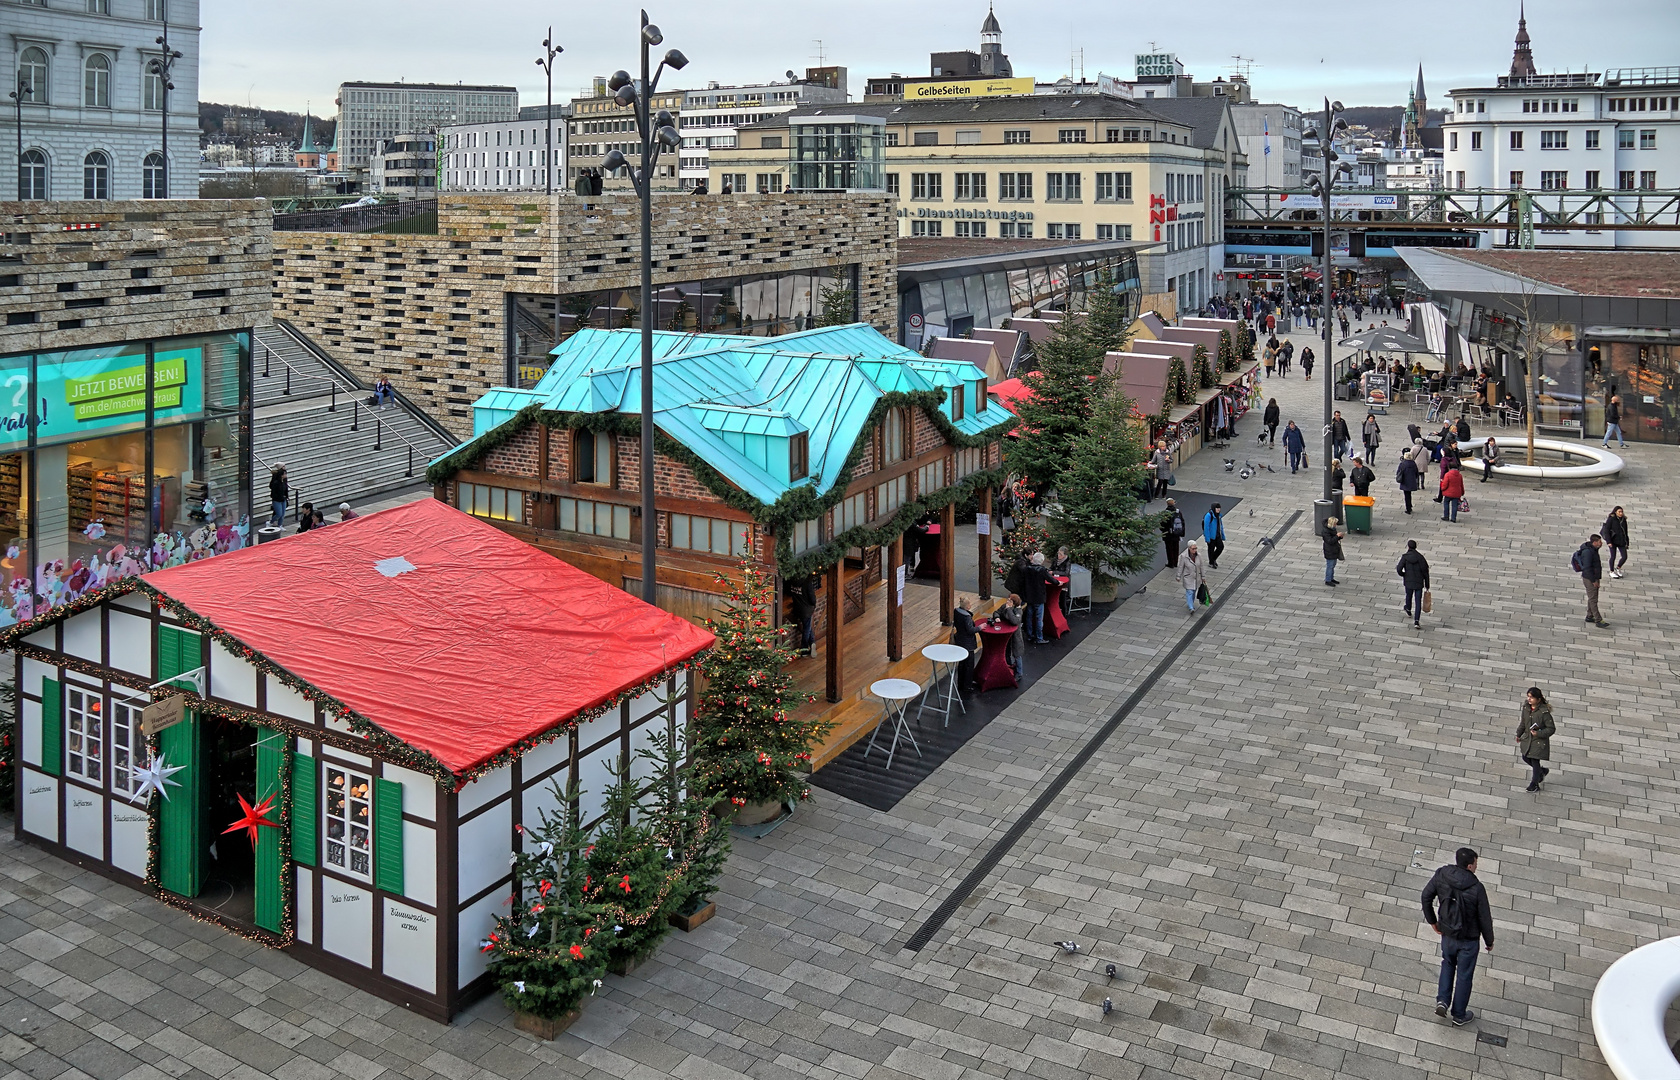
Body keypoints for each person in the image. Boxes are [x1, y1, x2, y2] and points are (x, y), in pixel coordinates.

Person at [1422, 847, 1496, 1027]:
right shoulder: (1477, 888)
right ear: (1470, 866)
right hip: (1468, 940)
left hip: (1448, 934)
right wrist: (1489, 940)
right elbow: (1484, 917)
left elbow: (1426, 896)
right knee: (1464, 976)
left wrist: (1433, 921)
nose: (1477, 867)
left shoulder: (1442, 875)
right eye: (1476, 864)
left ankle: (1442, 1001)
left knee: (1447, 963)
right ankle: (1459, 1014)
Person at [1516, 686, 1555, 792]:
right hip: (1528, 739)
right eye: (1528, 696)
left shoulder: (1544, 713)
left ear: (1538, 700)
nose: (1529, 699)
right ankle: (1541, 771)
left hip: (1538, 741)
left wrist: (1539, 733)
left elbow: (1551, 729)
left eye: (1532, 697)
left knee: (1534, 760)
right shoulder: (1526, 708)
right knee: (1525, 757)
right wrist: (1518, 734)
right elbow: (1523, 723)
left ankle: (1534, 784)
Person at [1396, 539, 1430, 628]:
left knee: (1408, 595)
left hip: (1409, 581)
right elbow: (1426, 572)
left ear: (1408, 546)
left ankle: (1408, 608)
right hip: (1419, 582)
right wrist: (1427, 585)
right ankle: (1416, 621)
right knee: (1418, 601)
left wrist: (1404, 575)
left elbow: (1399, 568)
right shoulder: (1421, 558)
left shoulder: (1405, 557)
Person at [1575, 533, 1607, 627]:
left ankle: (1589, 615)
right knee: (1593, 599)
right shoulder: (1588, 552)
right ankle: (1598, 620)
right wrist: (1594, 581)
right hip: (1590, 579)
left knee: (1592, 597)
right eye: (1600, 542)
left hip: (1593, 577)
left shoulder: (1593, 550)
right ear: (1594, 542)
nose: (1601, 543)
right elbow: (1587, 568)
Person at [1022, 552, 1051, 643]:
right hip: (1039, 597)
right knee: (1039, 618)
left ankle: (1029, 635)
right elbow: (1050, 579)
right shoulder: (1042, 570)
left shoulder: (1027, 569)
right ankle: (1039, 637)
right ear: (1041, 561)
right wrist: (1058, 582)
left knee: (1029, 617)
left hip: (1030, 597)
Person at [952, 596, 979, 694]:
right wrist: (980, 628)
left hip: (959, 640)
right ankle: (967, 685)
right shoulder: (967, 617)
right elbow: (970, 630)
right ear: (967, 607)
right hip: (968, 643)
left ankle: (960, 683)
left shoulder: (956, 612)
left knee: (962, 664)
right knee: (969, 665)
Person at [998, 593, 1025, 683]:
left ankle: (1019, 673)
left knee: (1017, 654)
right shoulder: (1004, 606)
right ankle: (1008, 667)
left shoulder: (1018, 611)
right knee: (1006, 651)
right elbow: (997, 612)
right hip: (1006, 634)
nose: (1007, 602)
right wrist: (997, 617)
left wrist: (1009, 609)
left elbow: (1015, 621)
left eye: (1009, 600)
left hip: (1015, 636)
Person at [1173, 541, 1206, 614]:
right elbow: (1181, 567)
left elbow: (1201, 567)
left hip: (1196, 578)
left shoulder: (1199, 556)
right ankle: (1191, 607)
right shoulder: (1184, 556)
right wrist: (1178, 576)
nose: (1195, 550)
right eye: (1193, 549)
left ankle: (1190, 603)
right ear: (1189, 548)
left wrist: (1203, 576)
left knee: (1193, 591)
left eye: (1195, 548)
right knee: (1189, 592)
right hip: (1188, 577)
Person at [789, 574, 818, 657]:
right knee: (807, 629)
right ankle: (804, 648)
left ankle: (812, 643)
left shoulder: (792, 581)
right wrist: (814, 604)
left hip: (797, 607)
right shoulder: (807, 583)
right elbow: (812, 598)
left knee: (807, 627)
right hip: (807, 609)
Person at [1601, 505, 1629, 578]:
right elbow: (1607, 531)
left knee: (1624, 556)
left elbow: (1625, 532)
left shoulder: (1623, 520)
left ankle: (1618, 568)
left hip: (1621, 541)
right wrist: (1608, 541)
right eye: (1619, 512)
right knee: (1613, 556)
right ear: (1615, 512)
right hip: (1613, 541)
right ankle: (1611, 571)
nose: (1621, 513)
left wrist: (1627, 542)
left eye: (1622, 512)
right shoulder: (1611, 519)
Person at [1161, 498, 1186, 568]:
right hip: (1176, 533)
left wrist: (1164, 531)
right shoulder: (1178, 512)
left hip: (1168, 534)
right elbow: (1182, 522)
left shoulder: (1165, 513)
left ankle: (1170, 563)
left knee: (1169, 549)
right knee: (1176, 547)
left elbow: (1162, 525)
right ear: (1173, 503)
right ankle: (1175, 562)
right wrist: (1182, 532)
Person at [1396, 450, 1422, 514]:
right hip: (1411, 481)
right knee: (1409, 494)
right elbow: (1416, 472)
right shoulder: (1413, 463)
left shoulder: (1402, 464)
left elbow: (1398, 472)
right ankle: (1410, 505)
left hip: (1405, 481)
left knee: (1406, 495)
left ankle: (1408, 508)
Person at [1202, 503, 1226, 569]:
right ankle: (1211, 562)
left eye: (1219, 508)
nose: (1218, 509)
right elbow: (1206, 527)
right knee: (1211, 549)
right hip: (1211, 536)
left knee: (1220, 547)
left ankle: (1213, 559)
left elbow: (1221, 526)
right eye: (1217, 508)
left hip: (1217, 535)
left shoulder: (1219, 516)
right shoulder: (1209, 516)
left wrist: (1223, 535)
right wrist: (1207, 538)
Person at [1322, 518, 1344, 586]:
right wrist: (1337, 536)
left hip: (1333, 550)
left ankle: (1331, 578)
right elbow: (1330, 541)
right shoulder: (1326, 531)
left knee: (1333, 565)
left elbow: (1334, 538)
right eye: (1335, 523)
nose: (1336, 525)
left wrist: (1339, 537)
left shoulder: (1332, 529)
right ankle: (1328, 580)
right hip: (1330, 551)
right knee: (1330, 566)